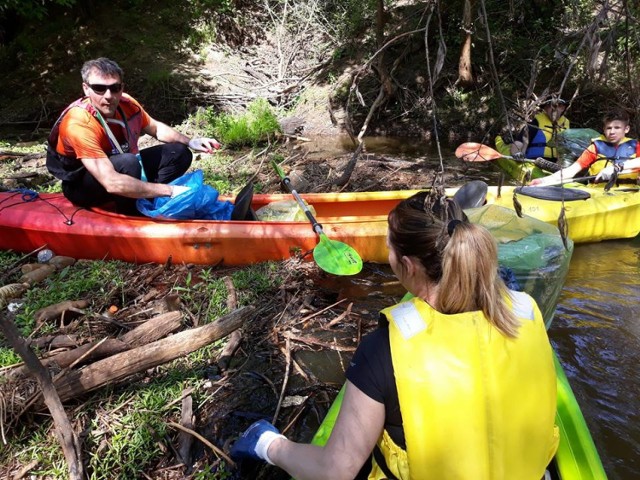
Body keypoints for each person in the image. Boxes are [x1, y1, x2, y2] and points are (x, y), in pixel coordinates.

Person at [230, 191, 559, 479]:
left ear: (407, 265)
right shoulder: (526, 310)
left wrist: (269, 444)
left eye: (388, 246)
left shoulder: (386, 348)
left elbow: (336, 470)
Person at [46, 57, 221, 213]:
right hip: (83, 185)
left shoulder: (127, 104)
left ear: (121, 88)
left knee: (178, 153)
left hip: (120, 167)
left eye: (114, 88)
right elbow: (111, 182)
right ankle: (132, 214)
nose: (108, 96)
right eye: (99, 89)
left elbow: (155, 128)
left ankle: (148, 198)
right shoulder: (79, 122)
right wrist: (170, 190)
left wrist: (191, 142)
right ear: (86, 89)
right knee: (128, 162)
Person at [530, 109, 640, 186]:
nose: (612, 132)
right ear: (604, 129)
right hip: (599, 192)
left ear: (626, 129)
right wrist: (544, 180)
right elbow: (571, 171)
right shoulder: (595, 148)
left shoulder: (635, 146)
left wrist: (617, 167)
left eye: (617, 128)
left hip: (630, 192)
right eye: (608, 128)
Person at [495, 97, 570, 161]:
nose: (554, 109)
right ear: (545, 109)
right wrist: (517, 154)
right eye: (549, 106)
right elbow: (518, 143)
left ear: (562, 108)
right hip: (535, 162)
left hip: (558, 164)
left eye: (558, 106)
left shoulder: (566, 125)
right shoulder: (534, 125)